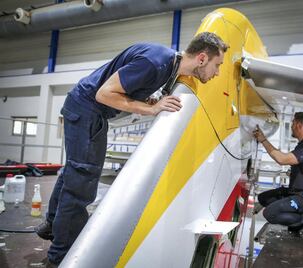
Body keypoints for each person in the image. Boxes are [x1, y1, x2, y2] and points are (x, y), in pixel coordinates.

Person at [35, 32, 229, 266]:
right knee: (81, 182)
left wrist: (143, 99)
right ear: (201, 58)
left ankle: (52, 225)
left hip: (85, 109)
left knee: (73, 173)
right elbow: (104, 94)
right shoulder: (156, 62)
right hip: (88, 110)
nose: (216, 72)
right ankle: (59, 256)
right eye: (217, 65)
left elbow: (124, 87)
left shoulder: (167, 66)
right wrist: (152, 109)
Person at [253, 112, 303, 239]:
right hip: (296, 193)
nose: (291, 126)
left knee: (270, 213)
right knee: (263, 198)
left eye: (293, 123)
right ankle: (296, 217)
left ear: (299, 125)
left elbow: (282, 159)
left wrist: (263, 140)